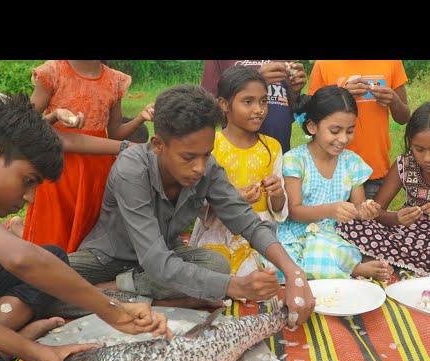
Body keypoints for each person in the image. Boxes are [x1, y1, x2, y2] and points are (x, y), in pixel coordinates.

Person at [0, 95, 167, 361]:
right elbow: (19, 258)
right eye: (28, 181)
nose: (30, 198)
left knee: (54, 258)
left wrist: (37, 353)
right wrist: (111, 311)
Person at [68, 84, 315, 326]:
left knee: (216, 265)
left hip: (165, 256)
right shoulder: (131, 169)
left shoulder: (208, 168)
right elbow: (155, 261)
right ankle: (143, 296)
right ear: (157, 145)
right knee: (43, 286)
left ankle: (116, 295)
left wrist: (293, 271)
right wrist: (234, 285)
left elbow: (247, 221)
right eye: (188, 157)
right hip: (108, 258)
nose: (199, 167)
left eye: (206, 154)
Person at [337, 102, 430, 277]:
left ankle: (401, 268)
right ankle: (413, 269)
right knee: (352, 222)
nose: (427, 158)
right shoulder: (405, 163)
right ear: (410, 143)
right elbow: (376, 212)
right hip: (408, 237)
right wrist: (397, 218)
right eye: (419, 149)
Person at [23, 60, 155, 252]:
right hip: (59, 171)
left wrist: (140, 118)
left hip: (98, 172)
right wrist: (55, 116)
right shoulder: (53, 72)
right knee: (54, 232)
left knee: (89, 230)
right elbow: (26, 124)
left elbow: (115, 132)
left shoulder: (114, 80)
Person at [276, 86, 390, 281]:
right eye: (335, 131)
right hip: (297, 233)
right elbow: (294, 211)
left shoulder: (351, 162)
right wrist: (330, 210)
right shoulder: (295, 160)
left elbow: (358, 208)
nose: (343, 139)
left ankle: (340, 268)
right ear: (312, 127)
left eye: (350, 131)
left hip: (335, 235)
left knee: (323, 252)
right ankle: (353, 270)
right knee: (275, 262)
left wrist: (366, 210)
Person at [189, 66, 288, 276]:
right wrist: (234, 197)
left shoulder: (272, 147)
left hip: (259, 229)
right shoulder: (211, 145)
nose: (259, 109)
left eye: (263, 101)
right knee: (214, 270)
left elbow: (278, 208)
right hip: (217, 227)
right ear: (224, 105)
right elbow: (196, 200)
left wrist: (278, 194)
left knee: (261, 272)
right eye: (248, 101)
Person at [308, 60, 411, 199]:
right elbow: (309, 116)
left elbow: (404, 117)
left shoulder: (392, 62)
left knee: (369, 218)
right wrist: (341, 95)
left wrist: (394, 100)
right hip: (331, 172)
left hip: (374, 171)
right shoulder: (323, 64)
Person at [201, 60, 307, 154]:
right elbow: (205, 107)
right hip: (236, 150)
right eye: (248, 101)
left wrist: (295, 90)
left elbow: (288, 106)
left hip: (279, 148)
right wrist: (256, 80)